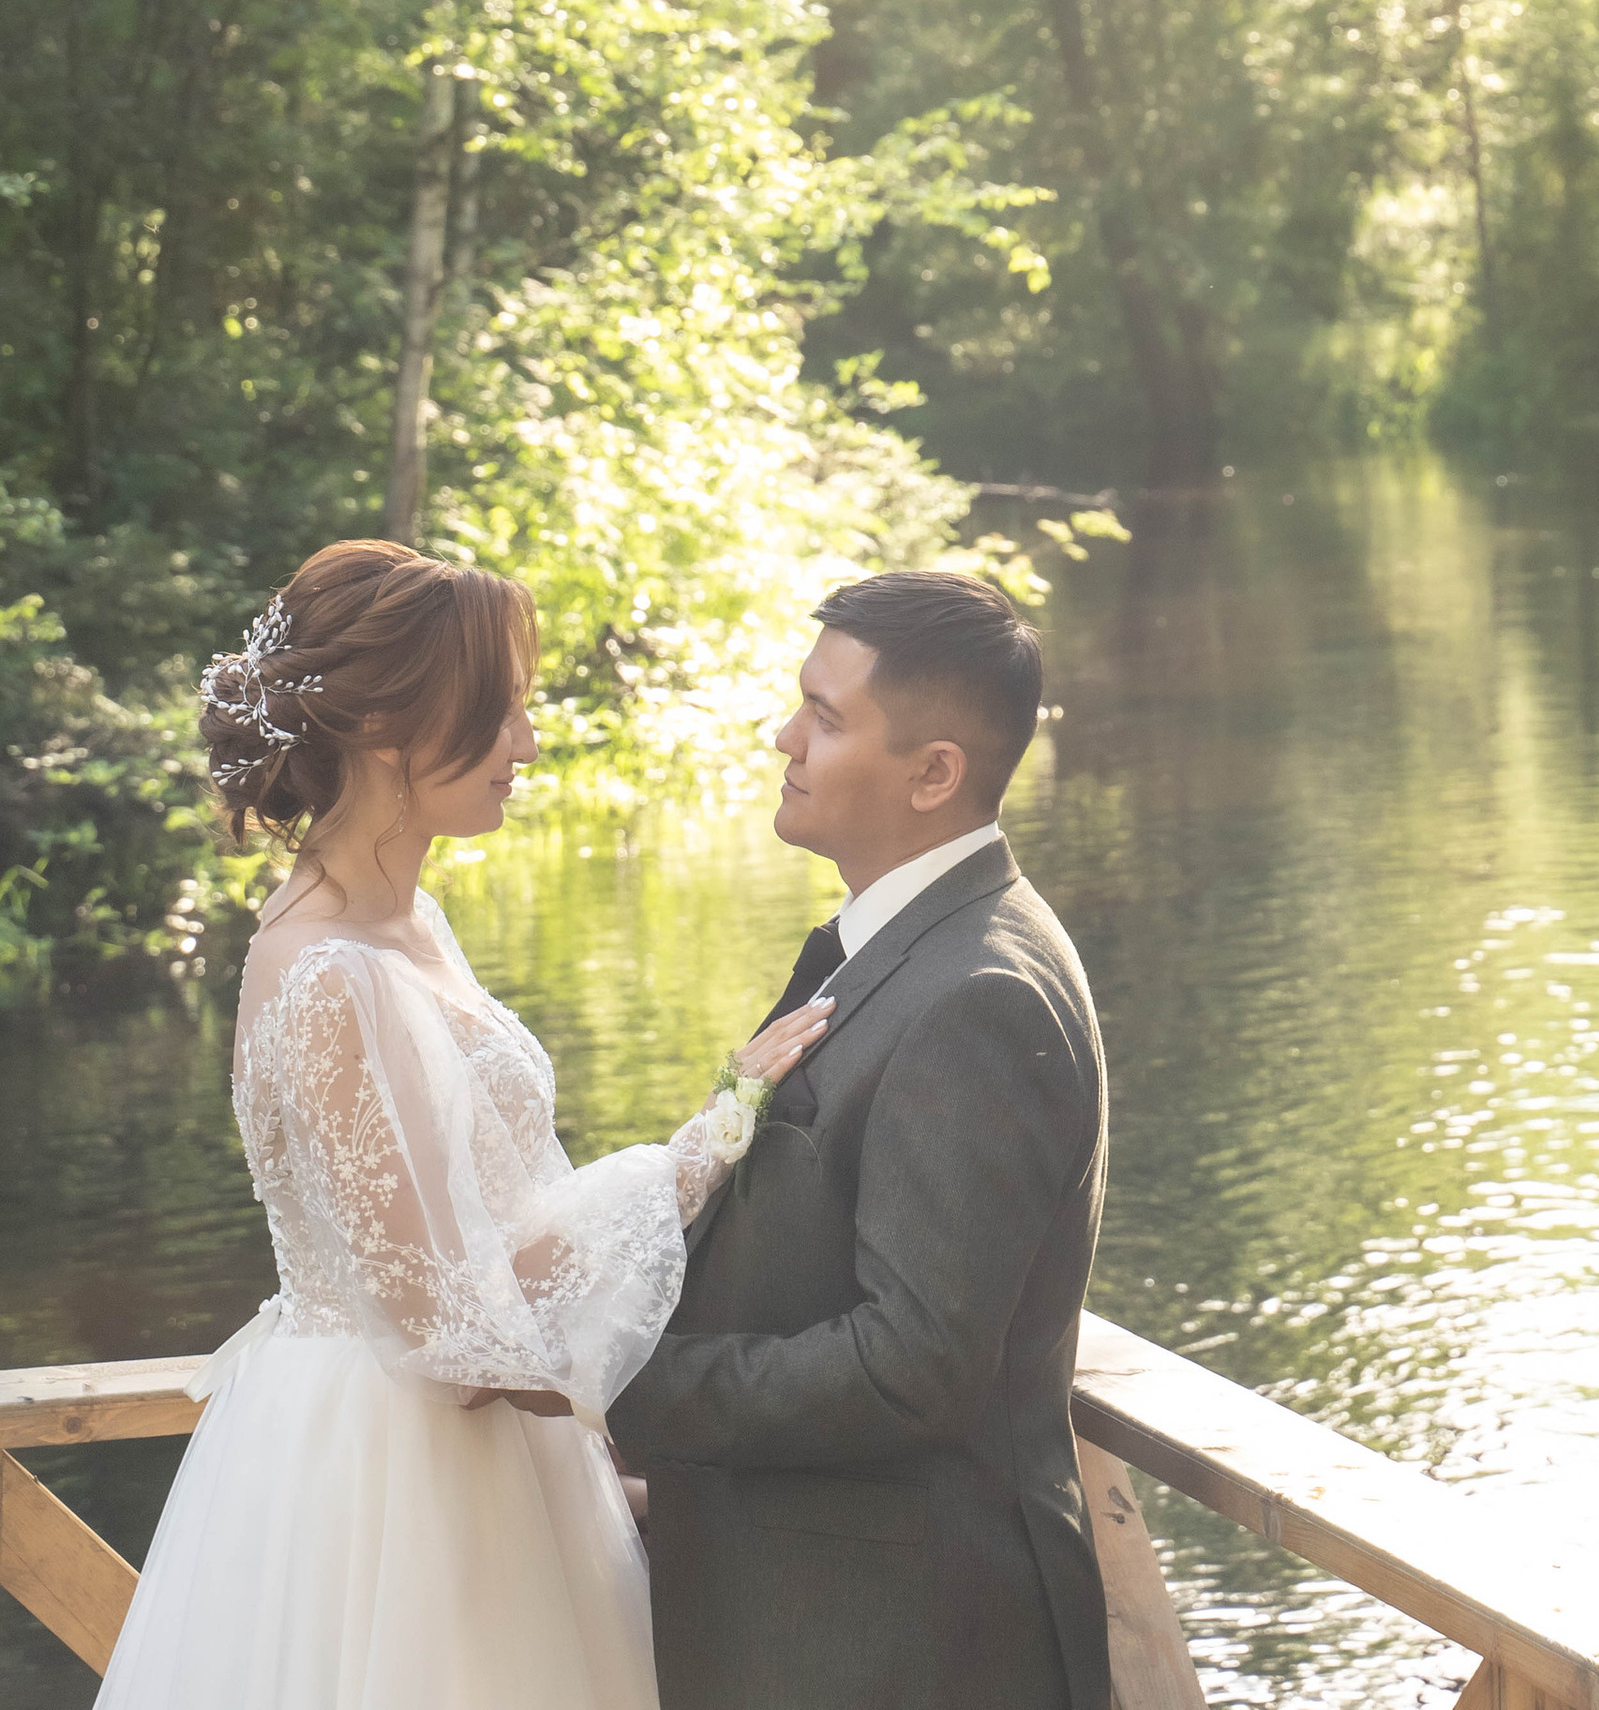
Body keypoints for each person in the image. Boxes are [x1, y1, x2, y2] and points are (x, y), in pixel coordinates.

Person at [97, 537, 830, 1710]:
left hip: (485, 1465)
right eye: (499, 716)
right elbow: (445, 1329)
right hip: (393, 1490)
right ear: (388, 728)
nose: (527, 745)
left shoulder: (409, 918)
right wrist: (700, 1150)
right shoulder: (327, 973)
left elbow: (491, 1215)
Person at [607, 568, 1111, 1710]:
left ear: (934, 774)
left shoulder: (979, 993)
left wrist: (626, 1386)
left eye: (826, 718)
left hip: (905, 1649)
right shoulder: (901, 943)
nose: (783, 735)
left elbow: (910, 1371)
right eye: (801, 702)